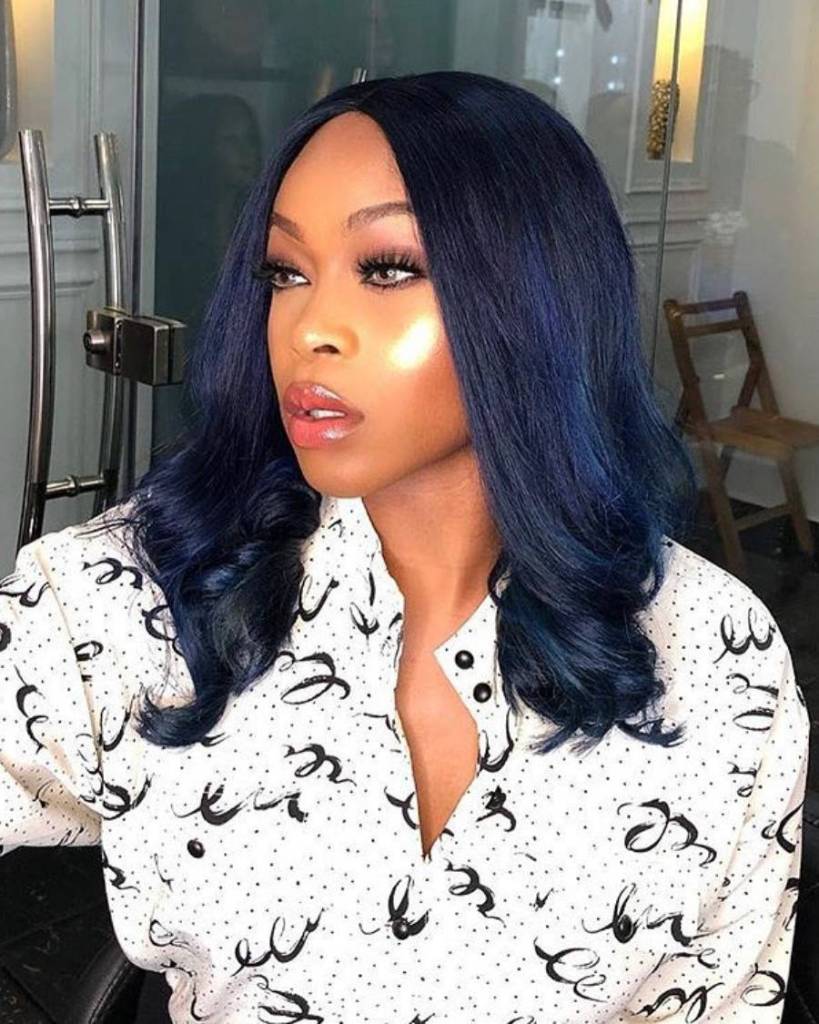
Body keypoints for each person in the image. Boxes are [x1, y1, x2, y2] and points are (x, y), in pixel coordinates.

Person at [0, 71, 809, 1023]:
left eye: (386, 269)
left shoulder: (716, 652)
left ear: (537, 296)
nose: (310, 328)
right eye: (284, 273)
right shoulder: (129, 598)